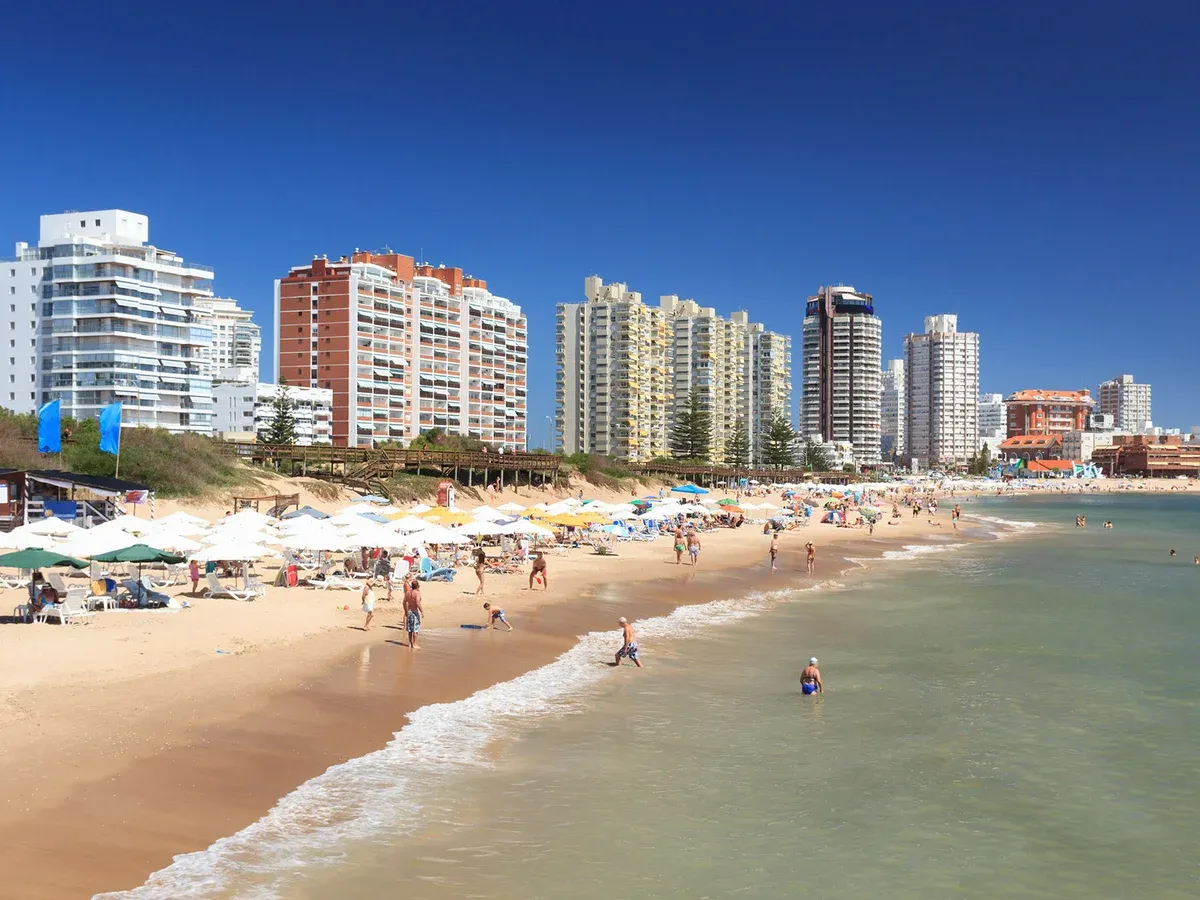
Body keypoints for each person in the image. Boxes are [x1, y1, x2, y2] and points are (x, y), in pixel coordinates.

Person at [404, 580, 423, 649]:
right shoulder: (417, 593)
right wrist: (422, 611)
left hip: (409, 612)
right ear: (417, 586)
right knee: (415, 629)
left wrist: (406, 611)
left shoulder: (408, 593)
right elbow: (417, 602)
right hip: (414, 612)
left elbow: (404, 602)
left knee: (410, 629)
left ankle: (410, 643)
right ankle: (414, 644)